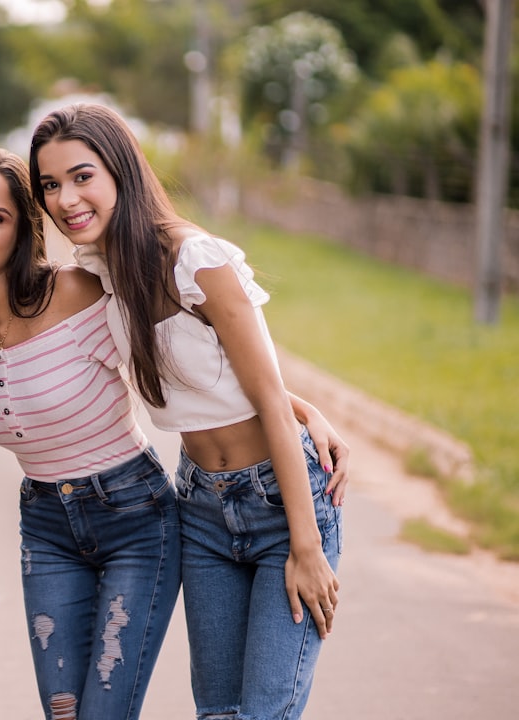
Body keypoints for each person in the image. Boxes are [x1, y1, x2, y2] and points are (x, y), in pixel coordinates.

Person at [29, 102, 346, 719]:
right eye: (50, 185)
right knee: (218, 713)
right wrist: (310, 408)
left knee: (261, 713)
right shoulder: (99, 270)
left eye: (82, 175)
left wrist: (306, 546)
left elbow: (267, 399)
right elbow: (217, 378)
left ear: (120, 171)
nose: (66, 198)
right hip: (200, 508)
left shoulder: (197, 261)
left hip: (282, 504)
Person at [0, 147, 181, 720]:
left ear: (23, 231)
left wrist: (296, 408)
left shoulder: (77, 292)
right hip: (45, 524)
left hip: (135, 518)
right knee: (63, 712)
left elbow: (186, 362)